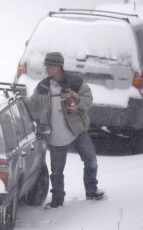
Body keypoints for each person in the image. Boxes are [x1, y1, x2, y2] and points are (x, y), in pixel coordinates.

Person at [26, 51, 104, 209]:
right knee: (56, 172)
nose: (46, 68)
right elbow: (32, 105)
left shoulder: (75, 83)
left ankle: (91, 190)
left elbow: (88, 100)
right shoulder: (42, 87)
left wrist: (78, 100)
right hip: (54, 136)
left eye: (49, 65)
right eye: (46, 65)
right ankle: (57, 201)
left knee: (91, 161)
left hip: (77, 131)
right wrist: (21, 101)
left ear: (58, 66)